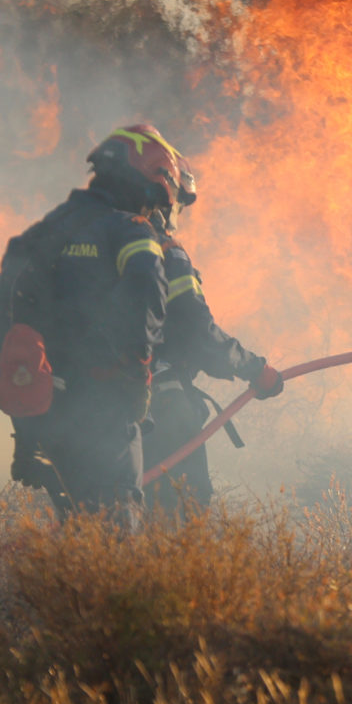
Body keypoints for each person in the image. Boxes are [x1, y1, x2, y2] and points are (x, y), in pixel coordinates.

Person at [0, 124, 190, 524]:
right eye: (155, 199)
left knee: (76, 523)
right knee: (117, 524)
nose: (153, 210)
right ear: (146, 176)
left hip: (40, 413)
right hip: (101, 405)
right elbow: (147, 296)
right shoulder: (129, 229)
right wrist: (138, 374)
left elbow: (5, 309)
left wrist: (5, 398)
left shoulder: (46, 229)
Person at [139, 173, 283, 517]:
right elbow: (198, 332)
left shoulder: (85, 247)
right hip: (160, 404)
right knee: (183, 508)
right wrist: (255, 370)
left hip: (90, 408)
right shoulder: (164, 252)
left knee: (105, 512)